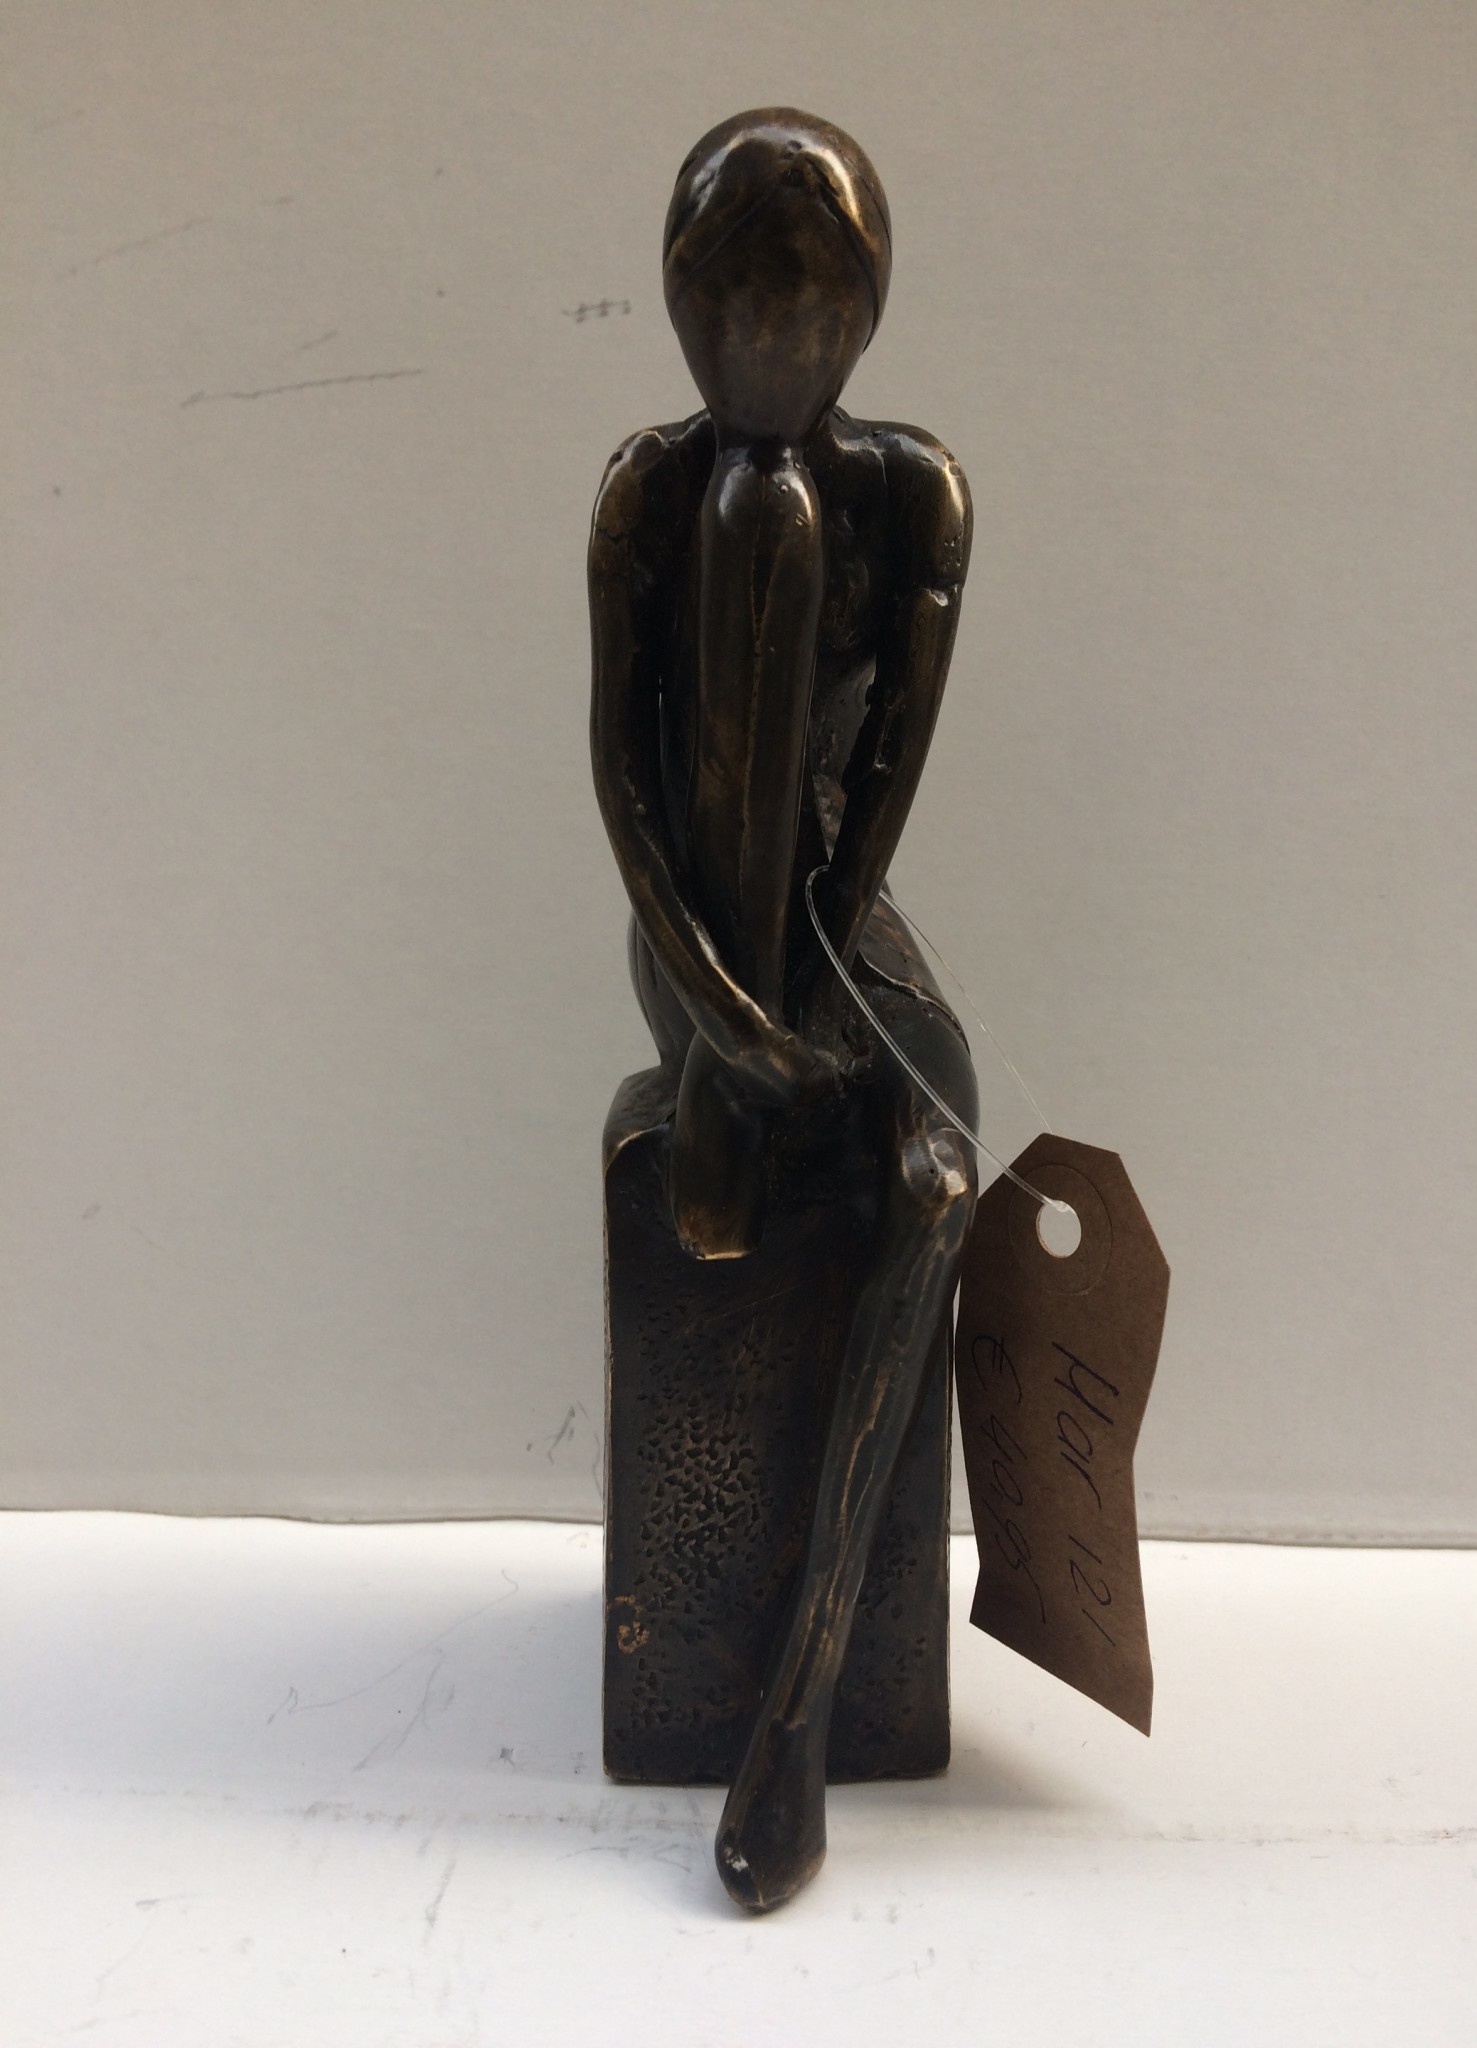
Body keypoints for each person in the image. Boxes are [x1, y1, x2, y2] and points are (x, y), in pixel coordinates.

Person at [589, 107, 979, 1910]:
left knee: (937, 1181)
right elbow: (625, 784)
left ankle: (803, 1697)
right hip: (690, 944)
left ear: (862, 319)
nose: (765, 342)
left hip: (837, 936)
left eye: (808, 309)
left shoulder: (916, 495)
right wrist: (725, 1018)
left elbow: (881, 786)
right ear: (681, 312)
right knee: (762, 507)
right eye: (729, 305)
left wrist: (807, 996)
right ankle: (724, 1116)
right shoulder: (653, 492)